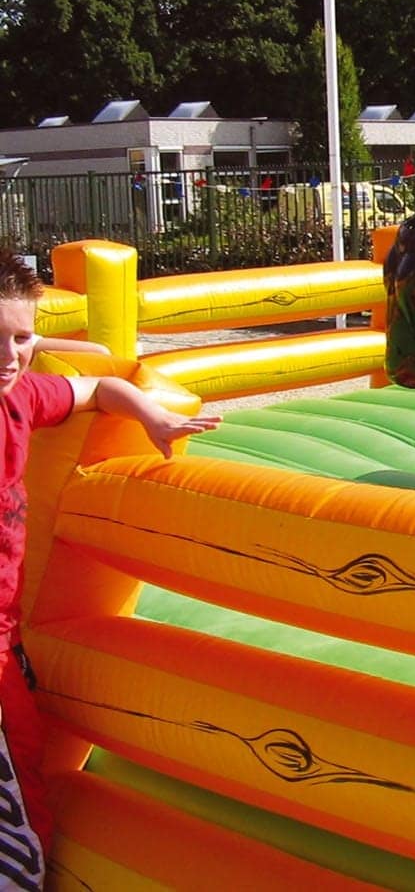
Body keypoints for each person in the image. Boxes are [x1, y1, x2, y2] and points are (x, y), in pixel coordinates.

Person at [0, 250, 221, 875]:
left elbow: (99, 384)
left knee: (23, 780)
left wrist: (151, 414)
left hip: (7, 642)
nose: (10, 356)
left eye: (21, 338)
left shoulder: (22, 397)